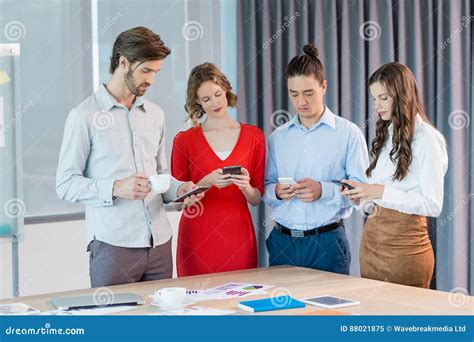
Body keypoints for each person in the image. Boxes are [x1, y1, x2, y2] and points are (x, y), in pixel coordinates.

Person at [56, 27, 202, 287]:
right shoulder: (83, 116)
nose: (152, 80)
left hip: (159, 244)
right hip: (114, 247)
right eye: (146, 70)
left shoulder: (155, 114)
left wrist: (182, 189)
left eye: (156, 72)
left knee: (158, 325)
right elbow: (65, 184)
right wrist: (116, 187)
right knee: (113, 325)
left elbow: (161, 177)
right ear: (123, 62)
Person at [263, 44, 369, 275]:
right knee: (282, 311)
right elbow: (265, 189)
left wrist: (324, 190)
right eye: (294, 93)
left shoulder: (349, 134)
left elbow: (362, 193)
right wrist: (278, 192)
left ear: (323, 86)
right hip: (283, 244)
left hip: (328, 244)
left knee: (330, 310)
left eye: (308, 93)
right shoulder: (276, 138)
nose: (301, 101)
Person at [341, 61, 448, 288]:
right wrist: (361, 197)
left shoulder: (428, 139)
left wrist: (380, 191)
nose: (377, 105)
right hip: (371, 250)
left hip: (406, 253)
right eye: (374, 98)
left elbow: (433, 204)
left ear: (402, 95)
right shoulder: (387, 134)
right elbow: (379, 198)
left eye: (384, 97)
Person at [171, 62, 266, 276]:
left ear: (225, 88)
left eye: (217, 94)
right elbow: (177, 204)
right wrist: (207, 181)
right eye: (206, 99)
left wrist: (246, 187)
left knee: (240, 299)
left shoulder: (254, 137)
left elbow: (256, 198)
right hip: (196, 235)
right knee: (196, 303)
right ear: (197, 102)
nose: (214, 103)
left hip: (238, 235)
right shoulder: (184, 141)